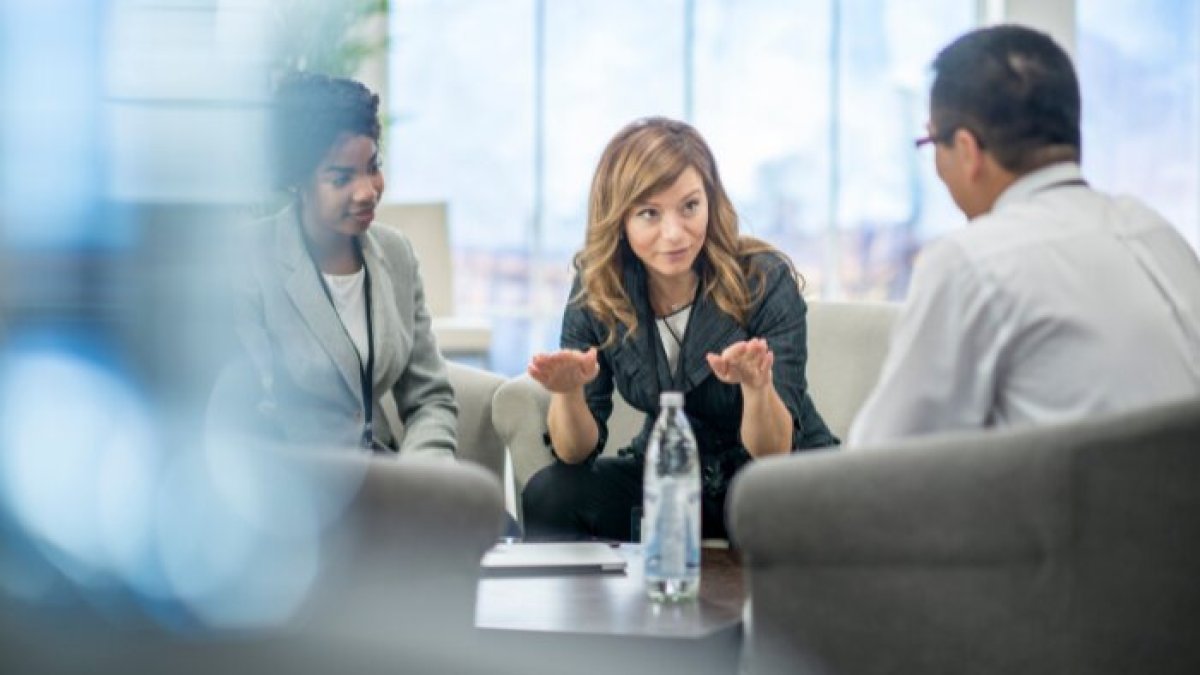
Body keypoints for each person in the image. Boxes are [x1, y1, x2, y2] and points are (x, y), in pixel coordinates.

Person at [849, 25, 1200, 446]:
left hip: (1082, 492)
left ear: (967, 151)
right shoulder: (1155, 230)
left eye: (932, 142)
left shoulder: (971, 263)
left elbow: (880, 460)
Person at [522, 117, 837, 542]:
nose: (674, 234)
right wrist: (569, 392)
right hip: (669, 474)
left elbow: (774, 451)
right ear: (619, 219)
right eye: (649, 214)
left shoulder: (763, 280)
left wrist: (756, 387)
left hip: (772, 481)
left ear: (710, 201)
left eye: (689, 207)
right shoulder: (599, 286)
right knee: (551, 495)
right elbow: (573, 453)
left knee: (776, 509)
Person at [232, 72, 457, 455]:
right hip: (299, 477)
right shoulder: (250, 257)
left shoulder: (396, 253)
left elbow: (430, 398)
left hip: (384, 472)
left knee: (479, 497)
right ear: (298, 182)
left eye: (373, 166)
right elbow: (250, 412)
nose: (367, 191)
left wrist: (425, 473)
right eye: (341, 178)